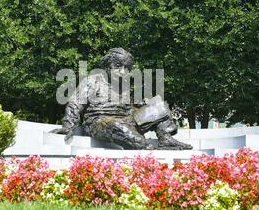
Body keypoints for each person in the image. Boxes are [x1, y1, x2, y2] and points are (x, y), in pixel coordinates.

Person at [51, 48, 193, 150]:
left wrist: (143, 106)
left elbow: (127, 108)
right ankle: (144, 146)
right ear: (107, 66)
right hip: (99, 122)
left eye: (127, 68)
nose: (123, 72)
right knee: (117, 127)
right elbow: (75, 103)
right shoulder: (92, 80)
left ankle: (165, 139)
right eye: (118, 66)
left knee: (159, 105)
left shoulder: (124, 85)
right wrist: (68, 126)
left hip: (126, 119)